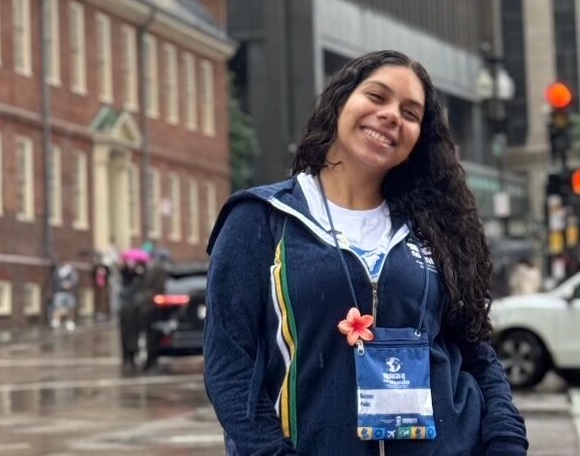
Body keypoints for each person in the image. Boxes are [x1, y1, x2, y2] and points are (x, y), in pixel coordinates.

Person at [204, 51, 528, 454]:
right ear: (340, 101)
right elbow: (229, 366)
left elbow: (475, 349)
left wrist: (506, 439)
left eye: (410, 113)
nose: (391, 115)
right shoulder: (261, 219)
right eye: (377, 96)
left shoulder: (434, 226)